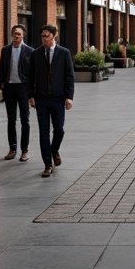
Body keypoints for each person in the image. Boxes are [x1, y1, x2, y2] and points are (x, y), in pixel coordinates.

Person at [27, 25, 75, 177]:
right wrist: (31, 96)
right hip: (41, 99)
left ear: (55, 36)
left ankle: (54, 150)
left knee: (59, 129)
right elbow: (30, 77)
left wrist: (69, 97)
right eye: (42, 36)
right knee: (43, 133)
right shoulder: (35, 54)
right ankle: (48, 164)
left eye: (47, 36)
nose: (44, 39)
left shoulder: (64, 53)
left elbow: (69, 76)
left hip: (58, 99)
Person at [0, 24, 34, 162]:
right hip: (9, 88)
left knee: (25, 120)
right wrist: (1, 84)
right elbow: (1, 68)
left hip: (24, 89)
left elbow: (33, 73)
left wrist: (32, 93)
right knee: (11, 120)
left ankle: (24, 150)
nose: (16, 36)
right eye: (14, 34)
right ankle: (12, 149)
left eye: (19, 34)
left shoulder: (30, 51)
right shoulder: (5, 50)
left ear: (23, 35)